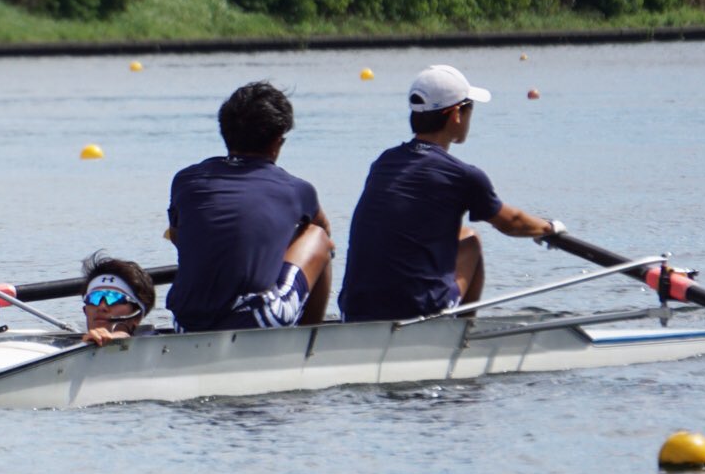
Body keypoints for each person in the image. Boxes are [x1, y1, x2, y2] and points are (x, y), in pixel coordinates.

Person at [337, 63, 562, 323]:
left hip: (354, 310)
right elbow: (511, 222)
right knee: (472, 242)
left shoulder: (384, 162)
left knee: (460, 234)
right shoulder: (463, 176)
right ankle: (462, 334)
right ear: (456, 114)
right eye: (470, 109)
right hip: (416, 312)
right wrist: (550, 228)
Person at [165, 82, 334, 332]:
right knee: (318, 238)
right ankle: (309, 341)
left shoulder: (186, 180)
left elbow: (179, 238)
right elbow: (325, 235)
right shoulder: (297, 190)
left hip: (186, 323)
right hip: (255, 320)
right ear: (277, 141)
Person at [80, 252, 156, 346]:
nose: (101, 307)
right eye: (94, 298)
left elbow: (124, 335)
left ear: (136, 317)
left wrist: (116, 336)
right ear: (85, 310)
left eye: (114, 298)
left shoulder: (153, 345)